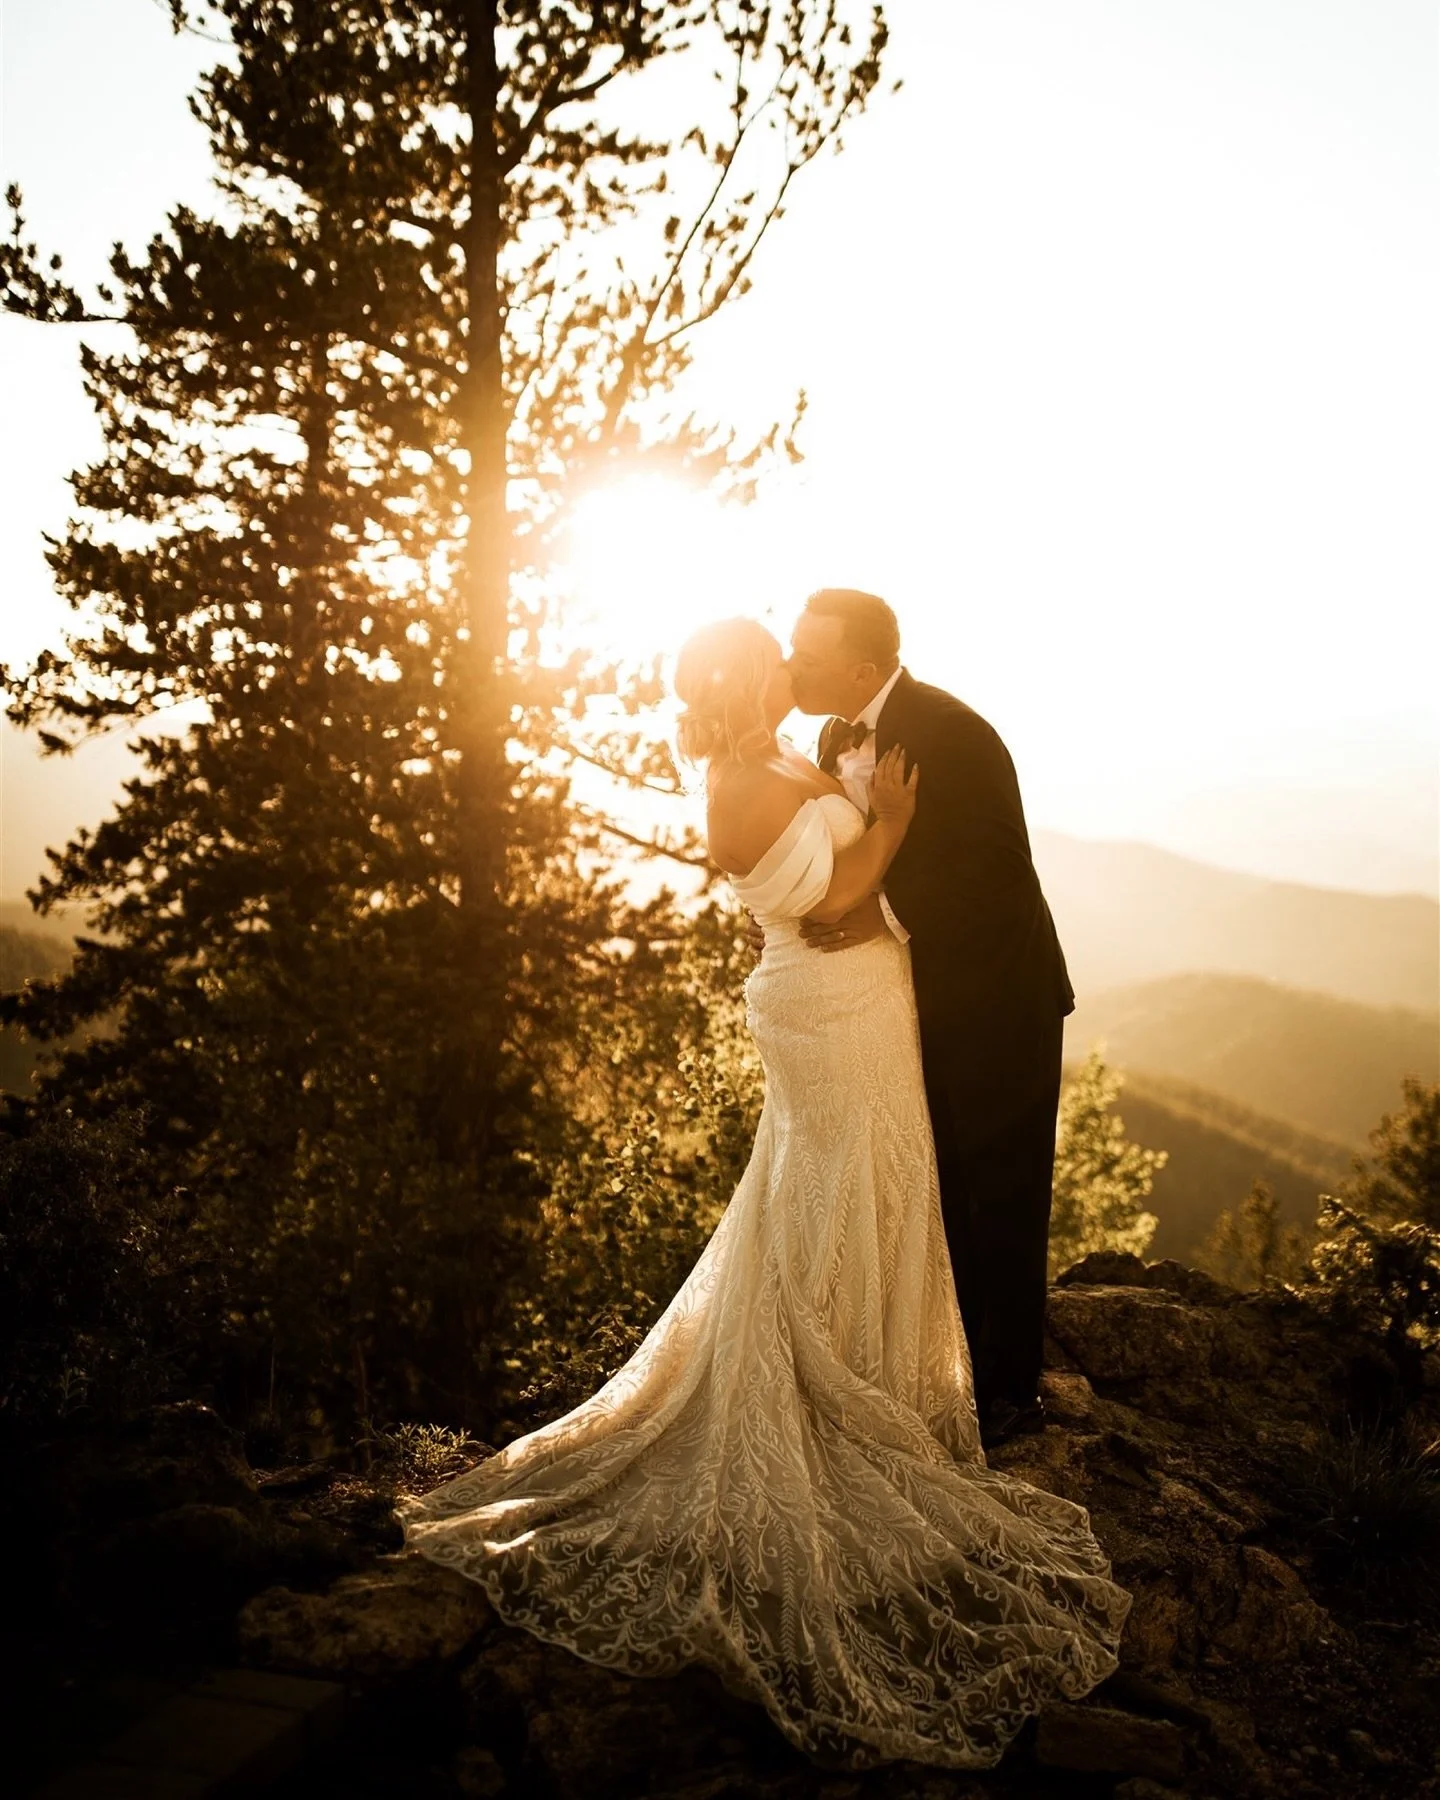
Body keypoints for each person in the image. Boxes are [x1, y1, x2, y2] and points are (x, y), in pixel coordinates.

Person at [397, 617, 1129, 1770]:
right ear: (744, 683)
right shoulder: (734, 784)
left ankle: (874, 1370)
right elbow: (828, 903)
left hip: (874, 1001)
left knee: (874, 1187)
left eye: (795, 645)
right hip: (828, 1006)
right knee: (832, 1193)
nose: (788, 662)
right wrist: (886, 825)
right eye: (770, 652)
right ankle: (828, 1390)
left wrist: (875, 829)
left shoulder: (798, 750)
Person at [782, 588, 1074, 1448]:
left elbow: (995, 877)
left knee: (1000, 1195)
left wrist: (883, 918)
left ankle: (1012, 1400)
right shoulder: (833, 733)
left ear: (862, 670)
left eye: (808, 655)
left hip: (1000, 997)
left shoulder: (955, 733)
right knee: (935, 1187)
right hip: (906, 998)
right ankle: (946, 1376)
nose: (792, 665)